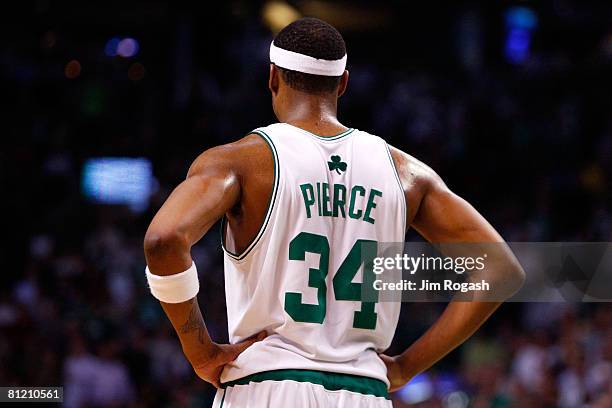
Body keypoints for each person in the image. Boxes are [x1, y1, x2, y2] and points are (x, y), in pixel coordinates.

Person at [143, 17, 524, 408]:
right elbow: (500, 269)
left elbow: (164, 240)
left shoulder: (240, 161)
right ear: (343, 83)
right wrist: (407, 366)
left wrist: (201, 352)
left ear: (273, 77)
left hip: (268, 385)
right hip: (364, 393)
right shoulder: (405, 173)